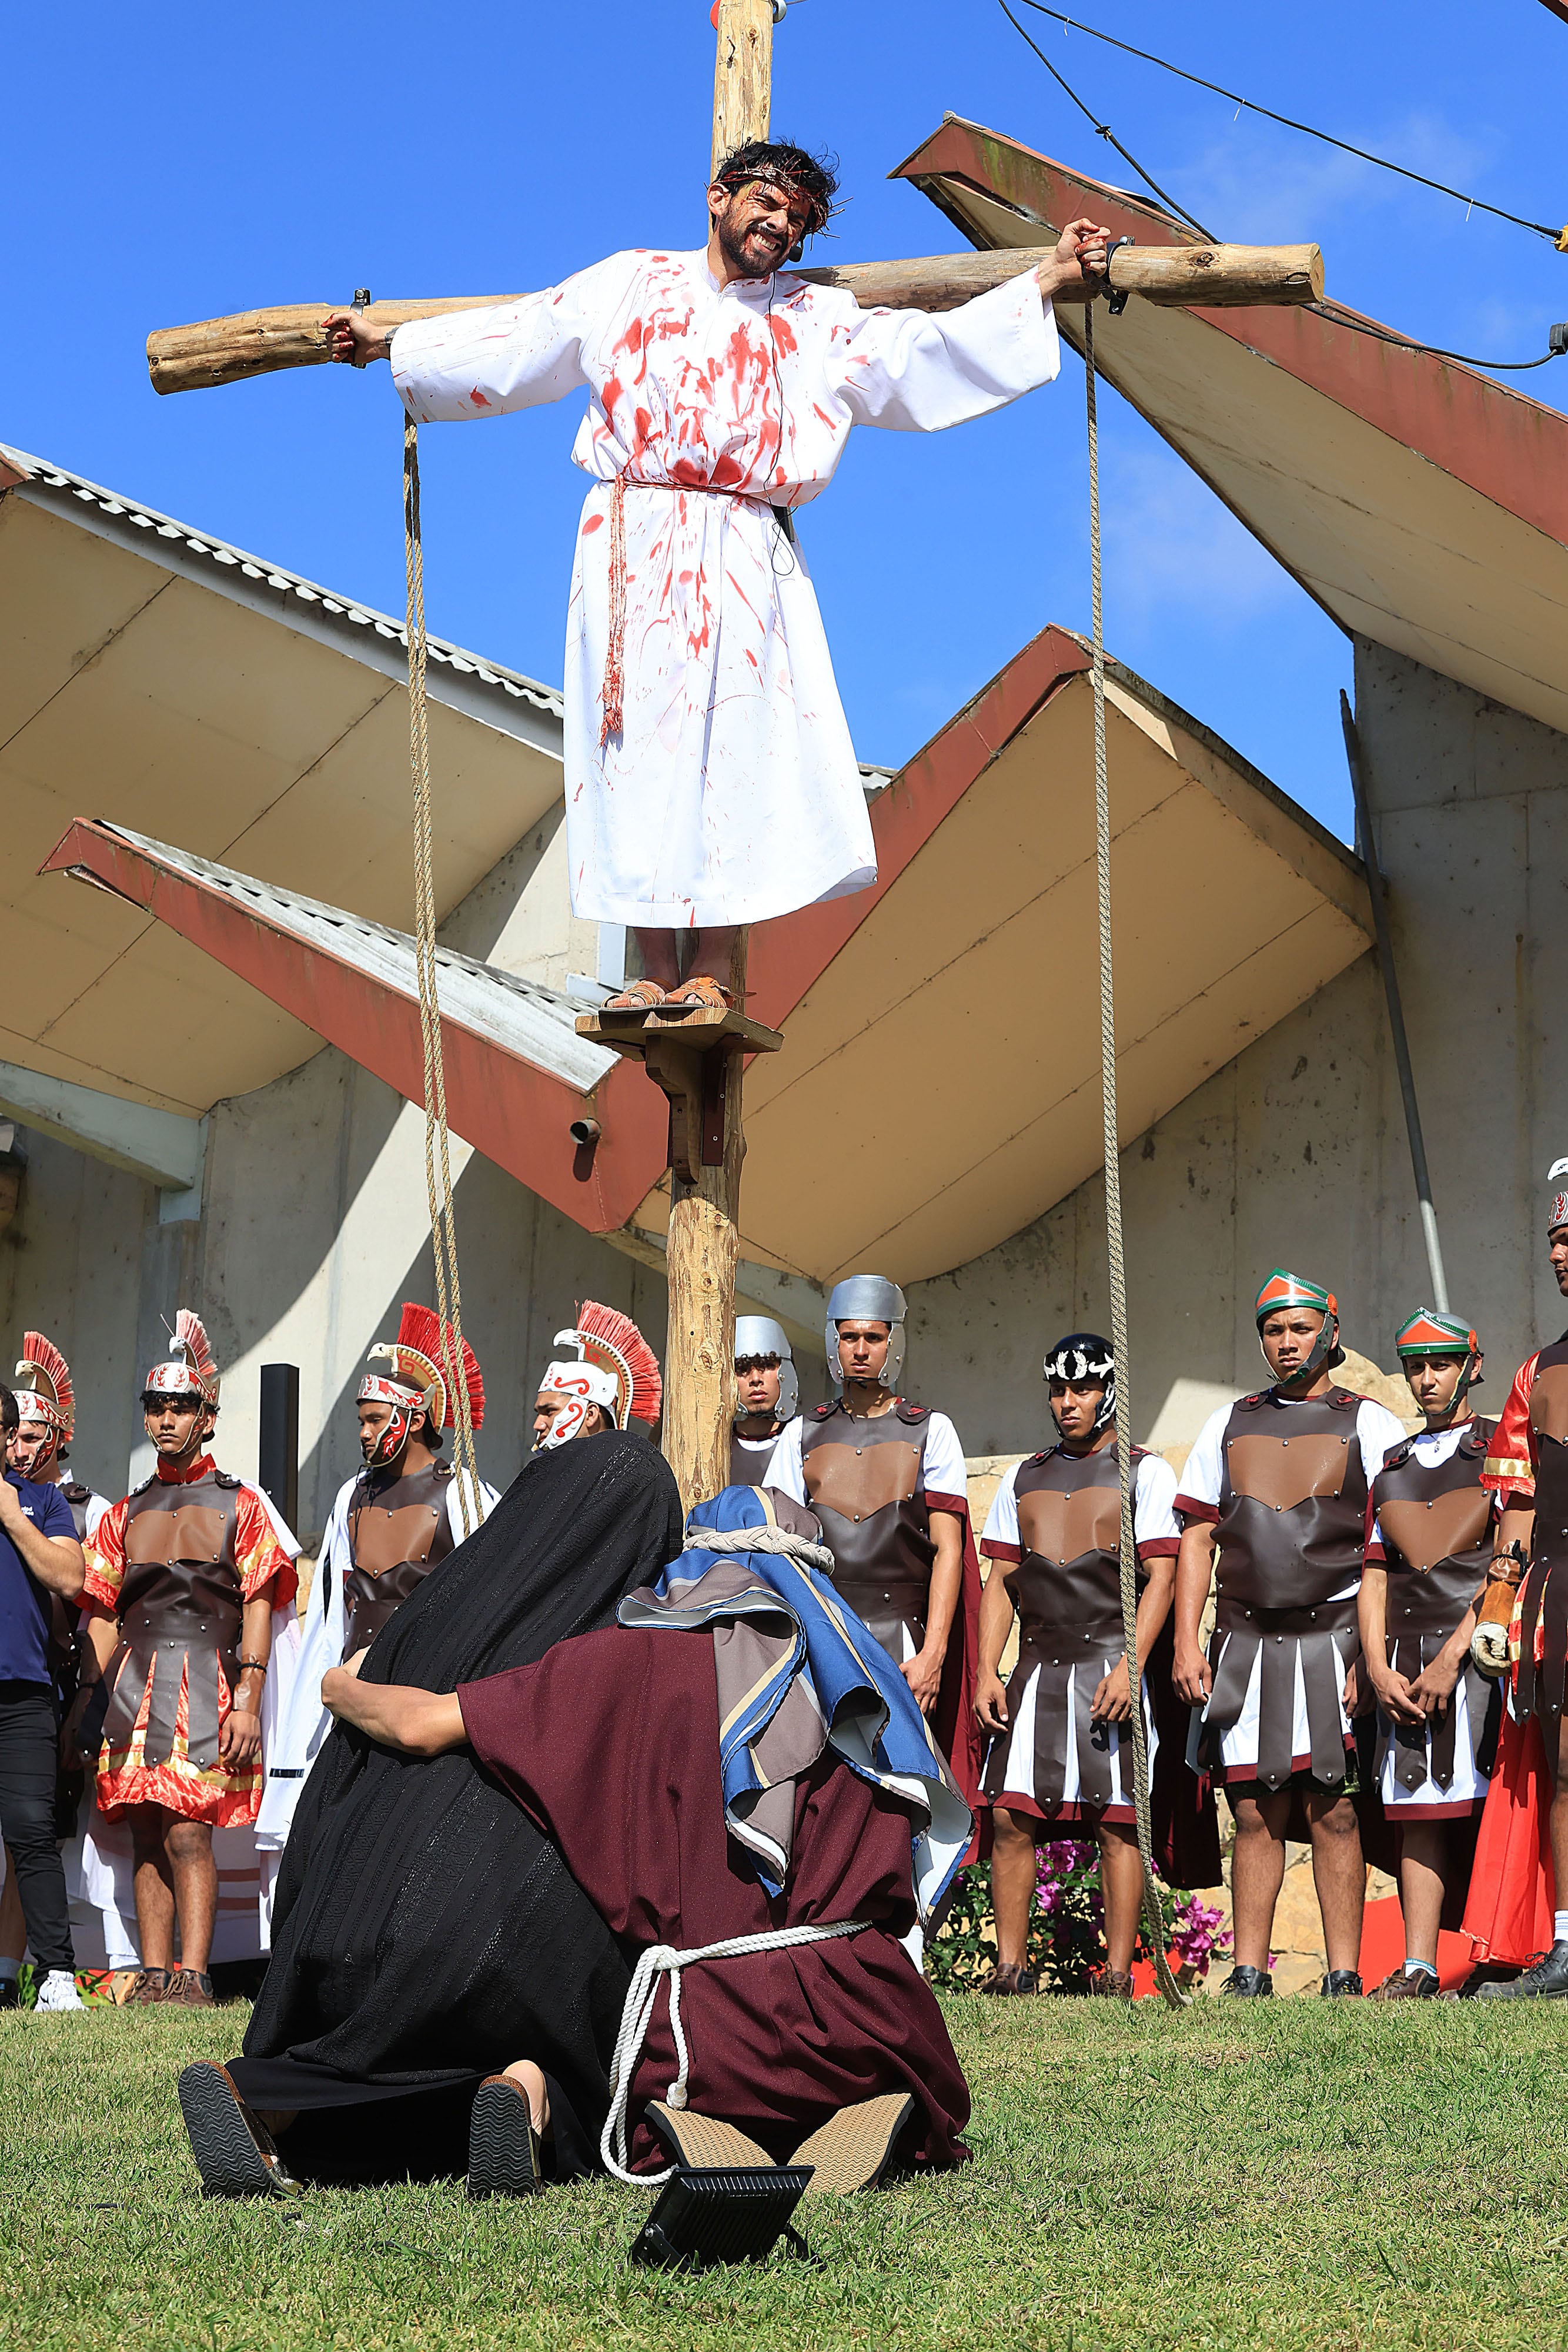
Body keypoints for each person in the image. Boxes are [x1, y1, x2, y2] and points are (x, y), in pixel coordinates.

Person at [325, 145, 1110, 1003]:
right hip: (632, 543)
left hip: (744, 547)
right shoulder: (627, 284)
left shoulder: (817, 318)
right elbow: (524, 334)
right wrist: (392, 342)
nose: (779, 222)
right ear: (718, 198)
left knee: (736, 746)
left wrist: (1039, 283)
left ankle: (711, 970)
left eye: (797, 217)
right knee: (631, 751)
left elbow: (919, 354)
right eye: (767, 201)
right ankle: (649, 971)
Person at [178, 1478, 971, 2198]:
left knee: (614, 2058)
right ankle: (854, 2098)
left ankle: (595, 2104)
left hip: (708, 2028)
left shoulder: (628, 1663)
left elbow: (418, 1725)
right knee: (867, 2051)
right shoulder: (871, 1693)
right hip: (871, 2012)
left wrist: (339, 1684)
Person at [1172, 1271, 1407, 1997]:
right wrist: (1187, 1641)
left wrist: (1374, 1656)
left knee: (1332, 1804)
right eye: (1273, 1330)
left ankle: (1343, 1974)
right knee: (1251, 1807)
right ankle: (1249, 1970)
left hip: (1334, 1639)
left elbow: (1393, 1550)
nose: (1285, 1342)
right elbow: (1197, 1537)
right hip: (1243, 1642)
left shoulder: (1369, 1423)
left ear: (1330, 1333)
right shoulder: (1228, 1422)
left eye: (1299, 1328)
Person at [71, 1312, 298, 2007]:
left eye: (180, 1406)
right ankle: (154, 1972)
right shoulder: (124, 1512)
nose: (166, 1418)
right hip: (130, 1689)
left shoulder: (243, 1503)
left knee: (187, 1831)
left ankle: (196, 1975)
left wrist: (252, 1702)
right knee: (143, 1830)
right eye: (156, 1406)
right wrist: (87, 1706)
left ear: (207, 1416)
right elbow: (104, 1611)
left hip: (208, 1682)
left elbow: (262, 1597)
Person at [975, 1335, 1185, 1999]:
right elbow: (1001, 1579)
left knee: (1117, 1819)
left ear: (1110, 1389)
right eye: (1059, 1390)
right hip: (1036, 1668)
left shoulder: (1144, 1472)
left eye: (1083, 1388)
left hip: (1106, 1664)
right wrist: (986, 1668)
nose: (1068, 1402)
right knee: (1011, 1816)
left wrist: (1132, 1666)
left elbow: (1163, 1576)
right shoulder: (1023, 1475)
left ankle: (1119, 1975)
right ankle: (1011, 1968)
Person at [256, 1305, 497, 1862]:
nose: (363, 1433)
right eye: (360, 1421)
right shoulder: (351, 1494)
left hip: (423, 1700)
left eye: (374, 1420)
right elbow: (331, 1611)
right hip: (353, 1695)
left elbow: (486, 1599)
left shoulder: (464, 1492)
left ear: (413, 1420)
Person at [764, 1277, 981, 1802]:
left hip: (904, 1642)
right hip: (823, 1638)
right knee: (822, 1793)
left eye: (874, 1337)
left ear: (894, 1342)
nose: (860, 1350)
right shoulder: (800, 1434)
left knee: (907, 1792)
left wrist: (933, 1654)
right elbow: (778, 1548)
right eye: (849, 1337)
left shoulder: (933, 1430)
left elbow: (949, 1550)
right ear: (832, 1342)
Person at [1359, 1310, 1499, 1998]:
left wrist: (1453, 1659)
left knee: (1492, 1805)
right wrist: (1377, 1666)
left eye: (1441, 1364)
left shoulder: (1504, 1448)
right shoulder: (1391, 1467)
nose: (1428, 1377)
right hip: (1402, 1660)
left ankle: (1511, 1953)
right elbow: (1374, 1576)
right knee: (1417, 1807)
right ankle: (1419, 1966)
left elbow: (1509, 1562)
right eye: (1416, 1366)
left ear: (1471, 1366)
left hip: (1486, 1659)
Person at [1464, 1161, 1568, 1997]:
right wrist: (1498, 1601)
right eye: (1553, 1240)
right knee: (1562, 1769)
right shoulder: (1536, 1373)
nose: (1559, 1254)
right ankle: (1566, 1945)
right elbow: (1520, 1502)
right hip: (1558, 1592)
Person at [2, 1332, 109, 2002]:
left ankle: (59, 1975)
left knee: (32, 1831)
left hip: (22, 1693)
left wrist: (13, 1518)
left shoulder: (40, 1502)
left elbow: (72, 1578)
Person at [530, 1301, 662, 1451]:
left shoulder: (631, 1474)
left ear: (591, 1414)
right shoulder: (543, 1473)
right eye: (539, 1414)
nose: (537, 1425)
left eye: (549, 1412)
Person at [729, 1315, 798, 1488]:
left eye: (766, 1366)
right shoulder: (714, 1446)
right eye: (742, 1369)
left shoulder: (805, 1440)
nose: (755, 1379)